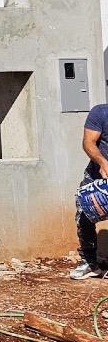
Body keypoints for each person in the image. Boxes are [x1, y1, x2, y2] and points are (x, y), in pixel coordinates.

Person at [72, 103, 108, 279]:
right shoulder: (100, 112)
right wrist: (102, 162)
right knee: (83, 212)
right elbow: (88, 142)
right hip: (97, 174)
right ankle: (90, 262)